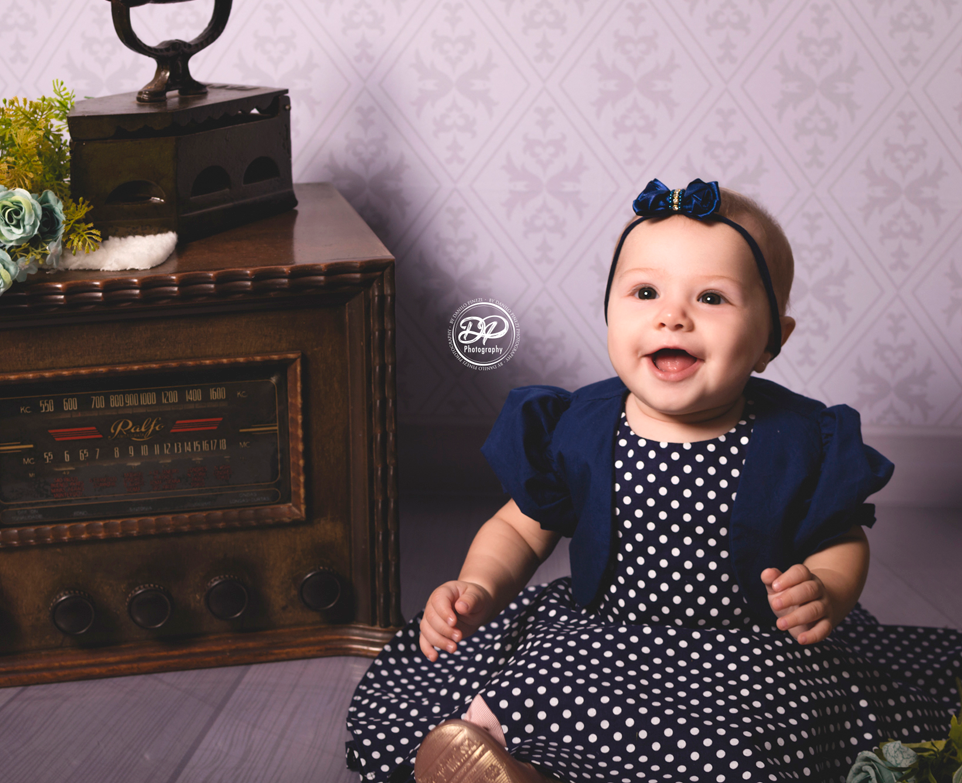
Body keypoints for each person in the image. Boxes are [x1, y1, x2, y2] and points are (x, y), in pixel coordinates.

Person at [345, 179, 962, 783]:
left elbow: (839, 535)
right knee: (530, 688)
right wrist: (478, 586)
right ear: (609, 311)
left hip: (746, 652)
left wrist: (826, 588)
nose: (673, 317)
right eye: (644, 292)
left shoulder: (798, 438)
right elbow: (519, 525)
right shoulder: (580, 427)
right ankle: (512, 765)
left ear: (772, 339)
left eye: (712, 299)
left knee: (753, 737)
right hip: (605, 635)